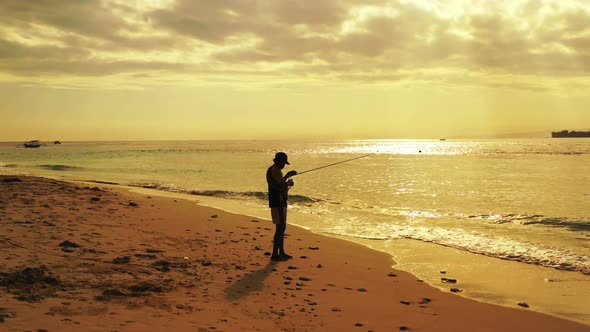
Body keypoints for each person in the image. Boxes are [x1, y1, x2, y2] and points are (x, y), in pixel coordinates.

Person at [266, 152, 297, 261]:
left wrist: (287, 178)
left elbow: (279, 184)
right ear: (279, 161)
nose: (284, 165)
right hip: (278, 202)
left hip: (279, 201)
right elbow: (280, 186)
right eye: (283, 163)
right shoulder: (275, 170)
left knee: (281, 227)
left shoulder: (274, 170)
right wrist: (288, 180)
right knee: (280, 228)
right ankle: (275, 254)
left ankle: (281, 252)